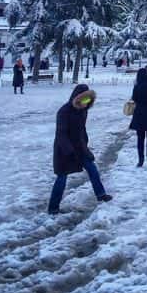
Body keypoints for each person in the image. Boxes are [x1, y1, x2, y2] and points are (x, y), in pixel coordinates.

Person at [47, 85, 111, 214]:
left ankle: (101, 194)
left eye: (88, 101)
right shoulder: (64, 111)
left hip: (80, 147)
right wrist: (69, 151)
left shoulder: (83, 110)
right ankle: (53, 208)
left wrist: (85, 144)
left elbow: (82, 129)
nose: (85, 104)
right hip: (64, 149)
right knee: (62, 177)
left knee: (92, 169)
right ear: (76, 98)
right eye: (83, 101)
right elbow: (61, 134)